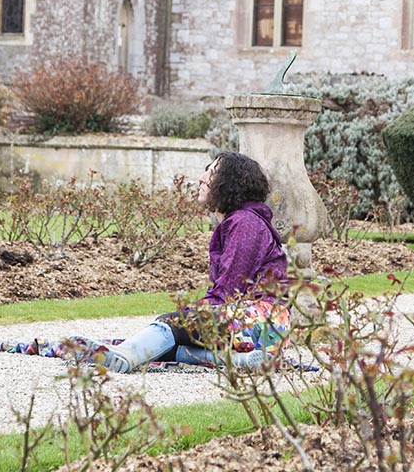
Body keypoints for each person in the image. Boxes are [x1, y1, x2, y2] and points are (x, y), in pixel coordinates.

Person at [102, 151, 292, 373]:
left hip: (260, 321)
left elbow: (229, 292)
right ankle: (243, 361)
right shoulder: (240, 221)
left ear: (229, 183)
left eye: (211, 173)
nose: (202, 178)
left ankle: (124, 356)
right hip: (260, 327)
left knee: (176, 325)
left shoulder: (245, 223)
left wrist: (181, 318)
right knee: (173, 335)